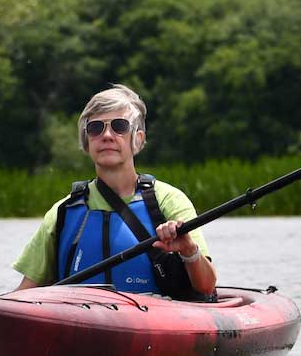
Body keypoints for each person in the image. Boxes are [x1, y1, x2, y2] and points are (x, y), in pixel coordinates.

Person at [12, 84, 217, 300]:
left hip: (153, 324)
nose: (107, 135)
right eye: (95, 128)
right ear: (87, 141)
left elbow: (206, 285)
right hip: (80, 323)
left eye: (119, 126)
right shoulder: (63, 212)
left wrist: (188, 250)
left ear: (137, 139)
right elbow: (25, 293)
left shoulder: (168, 201)